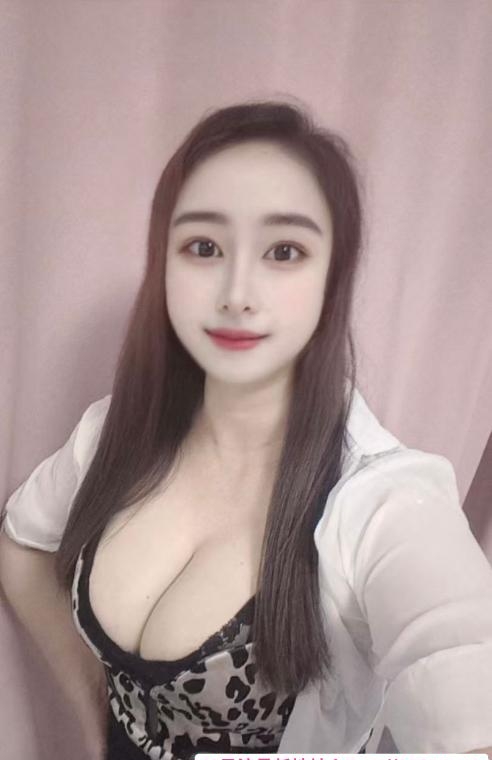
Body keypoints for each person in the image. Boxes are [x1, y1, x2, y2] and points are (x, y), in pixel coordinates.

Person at [1, 100, 491, 760]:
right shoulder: (116, 432)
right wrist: (94, 714)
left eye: (284, 251)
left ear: (333, 276)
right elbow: (22, 546)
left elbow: (467, 687)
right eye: (203, 247)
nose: (237, 292)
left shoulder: (383, 503)